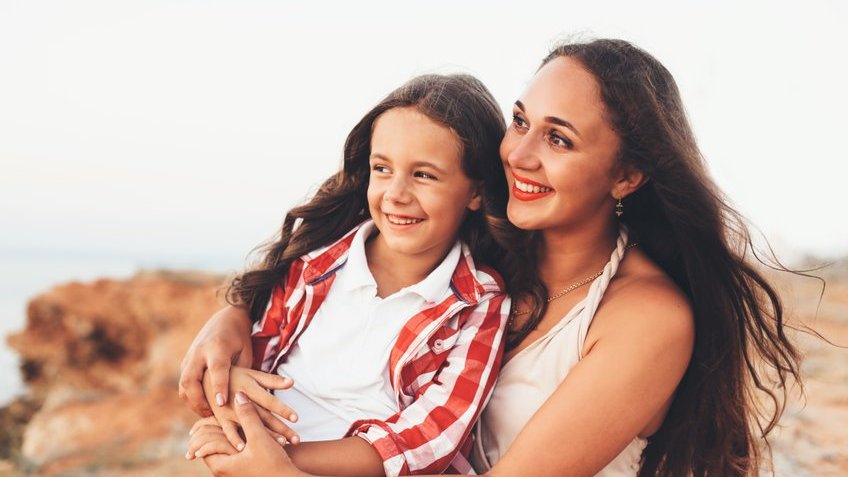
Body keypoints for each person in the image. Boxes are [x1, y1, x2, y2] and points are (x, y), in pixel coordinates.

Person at [182, 39, 802, 477]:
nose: (520, 155)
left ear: (627, 175)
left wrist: (279, 471)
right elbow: (336, 256)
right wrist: (233, 319)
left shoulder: (647, 318)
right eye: (520, 121)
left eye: (558, 139)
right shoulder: (484, 246)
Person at [182, 73, 521, 476]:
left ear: (476, 193)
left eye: (424, 175)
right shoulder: (315, 263)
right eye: (382, 168)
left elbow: (433, 436)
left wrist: (274, 463)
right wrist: (232, 401)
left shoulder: (479, 302)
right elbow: (246, 356)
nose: (395, 193)